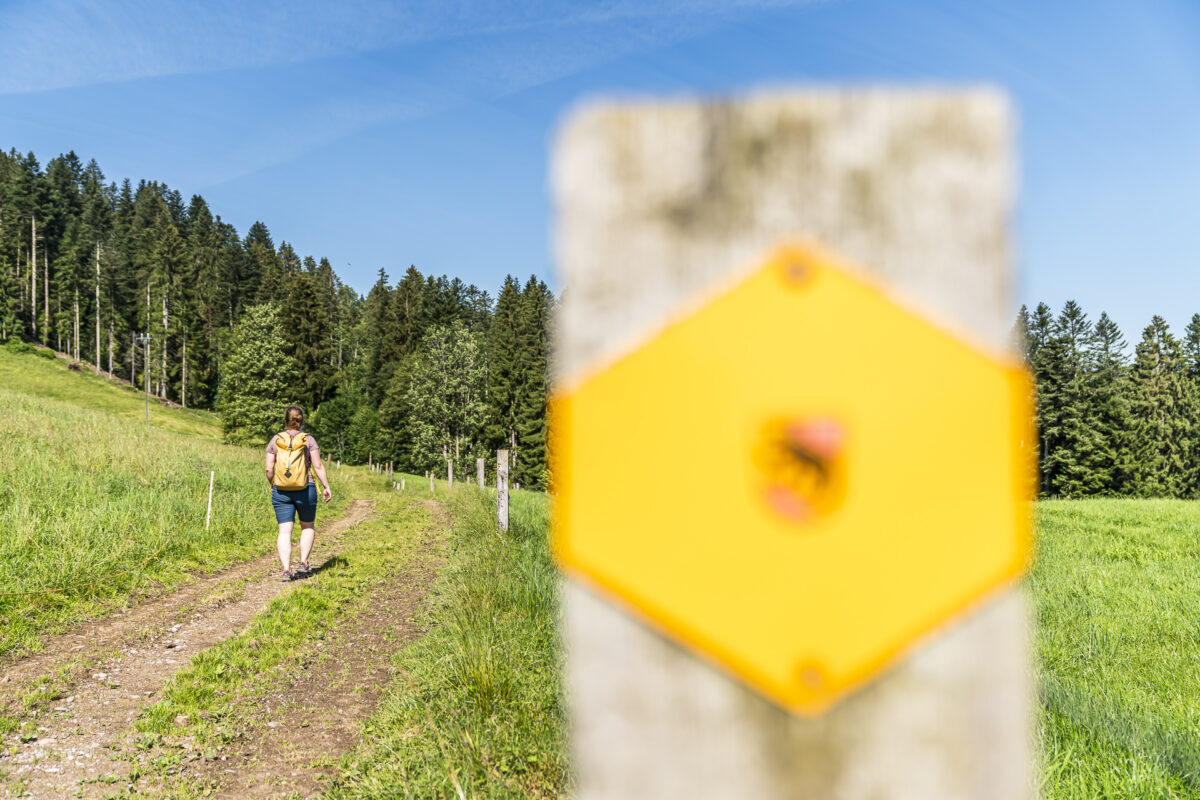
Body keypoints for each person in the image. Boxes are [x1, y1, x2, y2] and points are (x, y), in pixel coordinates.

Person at [264, 406, 333, 581]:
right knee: (307, 526)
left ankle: (286, 570)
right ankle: (303, 563)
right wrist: (326, 486)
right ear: (301, 421)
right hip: (306, 488)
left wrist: (273, 484)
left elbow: (268, 469)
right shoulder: (308, 440)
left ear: (285, 419)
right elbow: (317, 466)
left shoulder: (276, 439)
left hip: (281, 490)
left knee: (284, 532)